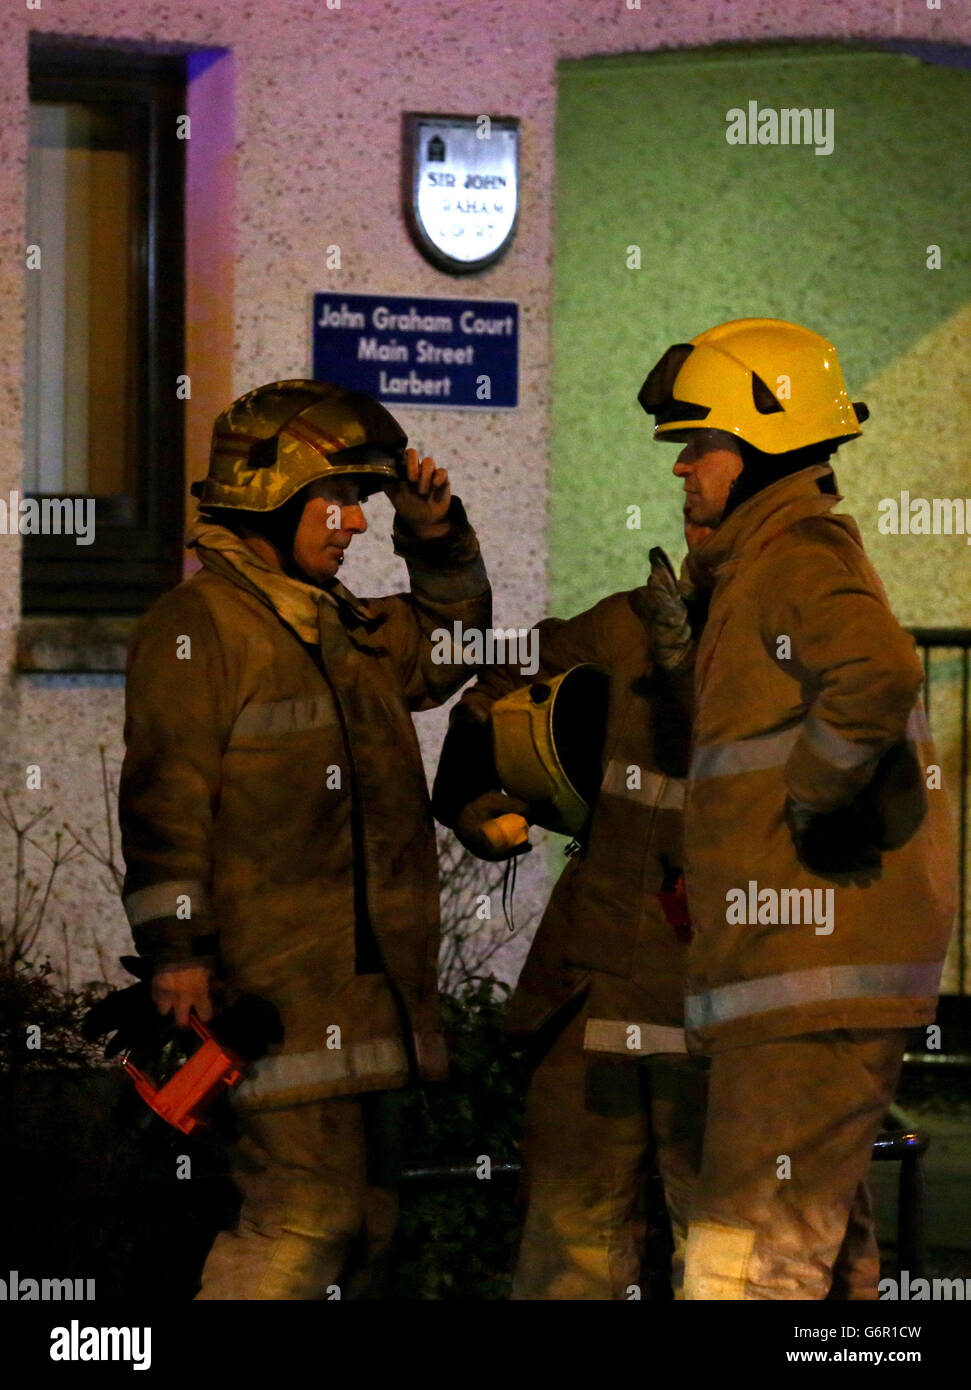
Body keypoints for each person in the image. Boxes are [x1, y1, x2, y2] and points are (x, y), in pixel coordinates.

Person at [118, 379, 491, 1299]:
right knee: (299, 1219)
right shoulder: (198, 627)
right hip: (271, 998)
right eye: (335, 502)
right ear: (266, 498)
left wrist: (433, 533)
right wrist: (178, 954)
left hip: (372, 1002)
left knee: (365, 1223)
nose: (354, 526)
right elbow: (165, 801)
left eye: (360, 504)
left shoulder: (344, 628)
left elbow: (450, 643)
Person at [638, 317, 956, 1300]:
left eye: (700, 445)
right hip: (793, 981)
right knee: (826, 1269)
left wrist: (813, 795)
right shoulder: (755, 570)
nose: (682, 468)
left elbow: (878, 669)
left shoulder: (793, 556)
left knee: (742, 1268)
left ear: (762, 440)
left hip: (805, 983)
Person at [432, 520, 712, 1299]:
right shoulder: (624, 624)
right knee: (570, 1246)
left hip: (721, 999)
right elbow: (497, 691)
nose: (691, 493)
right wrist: (470, 799)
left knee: (729, 1254)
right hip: (596, 983)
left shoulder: (789, 646)